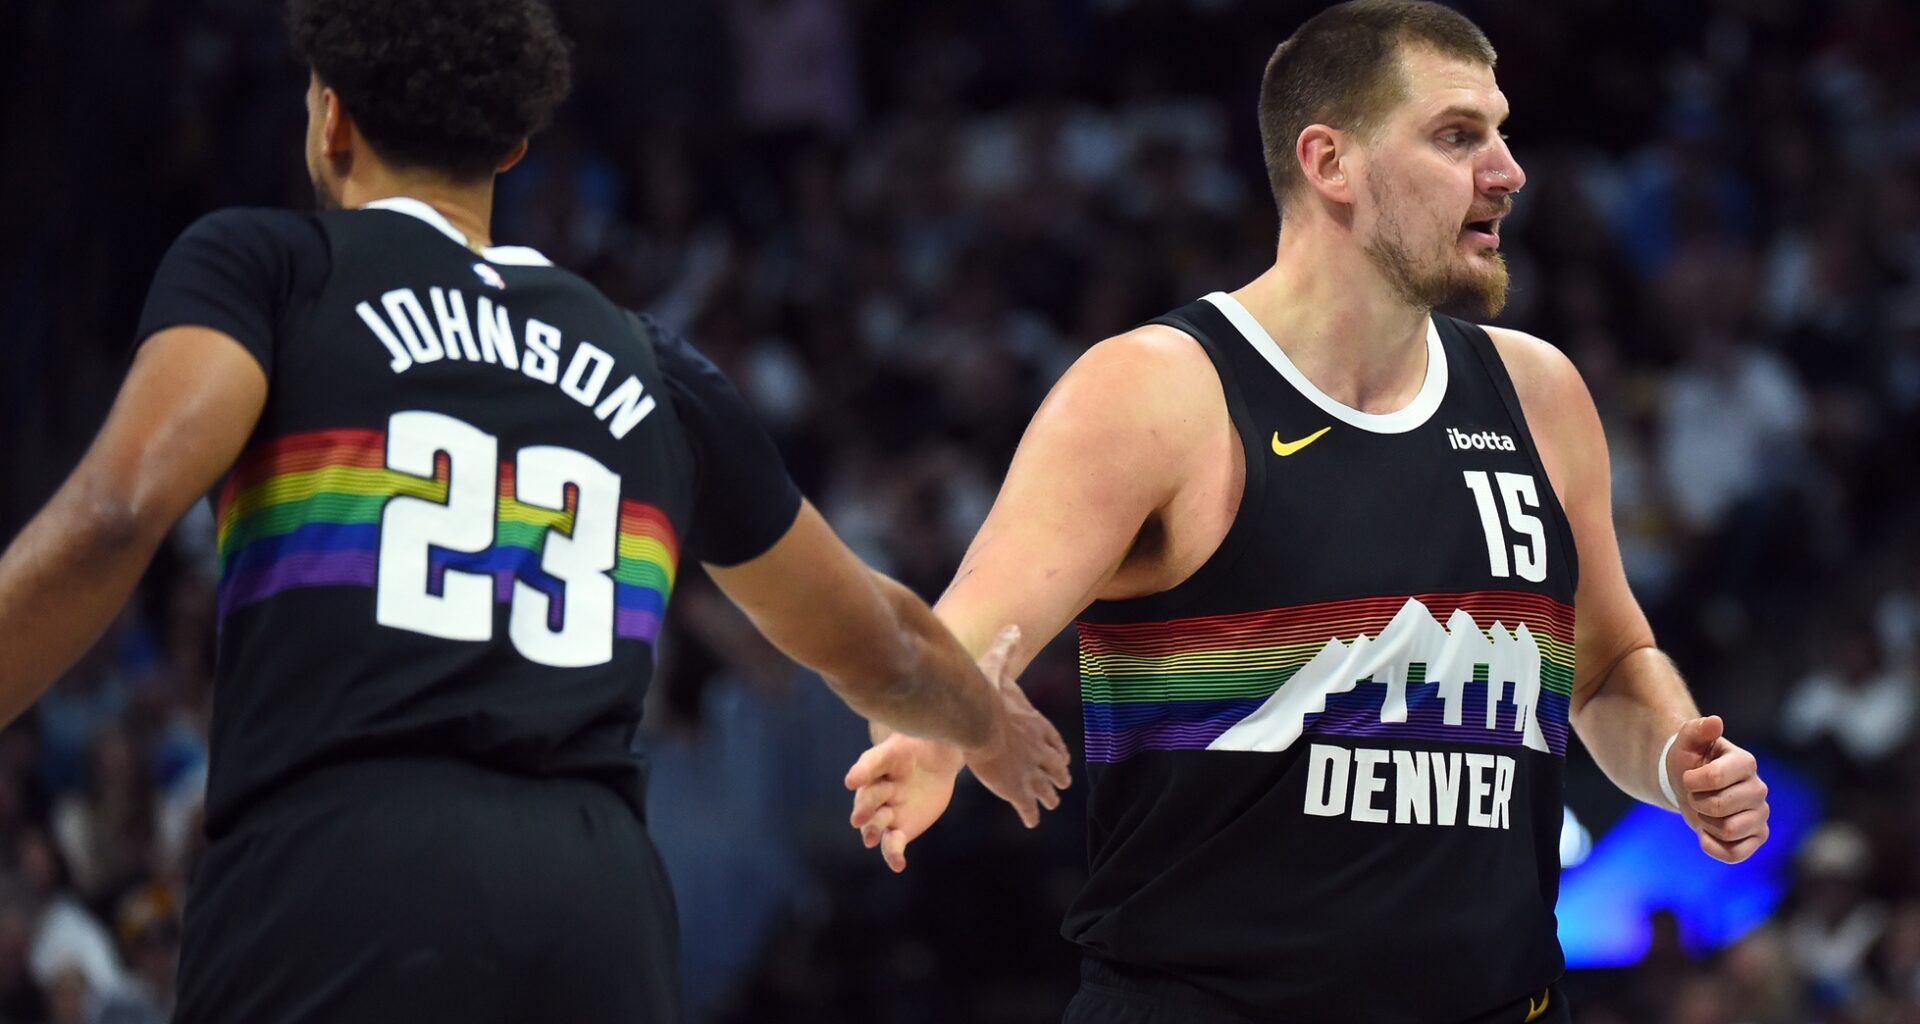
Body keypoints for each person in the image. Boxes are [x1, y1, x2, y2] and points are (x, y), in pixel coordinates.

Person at [0, 0, 1070, 1020]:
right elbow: (876, 643)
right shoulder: (655, 364)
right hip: (590, 899)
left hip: (341, 862)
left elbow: (114, 512)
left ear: (329, 119)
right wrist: (982, 720)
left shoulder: (269, 268)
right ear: (515, 143)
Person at [844, 2, 1770, 1021]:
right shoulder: (1162, 393)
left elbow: (1604, 666)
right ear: (1330, 162)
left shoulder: (1539, 395)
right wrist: (936, 730)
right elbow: (959, 638)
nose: (1506, 171)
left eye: (1502, 133)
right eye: (1459, 135)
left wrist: (1681, 756)